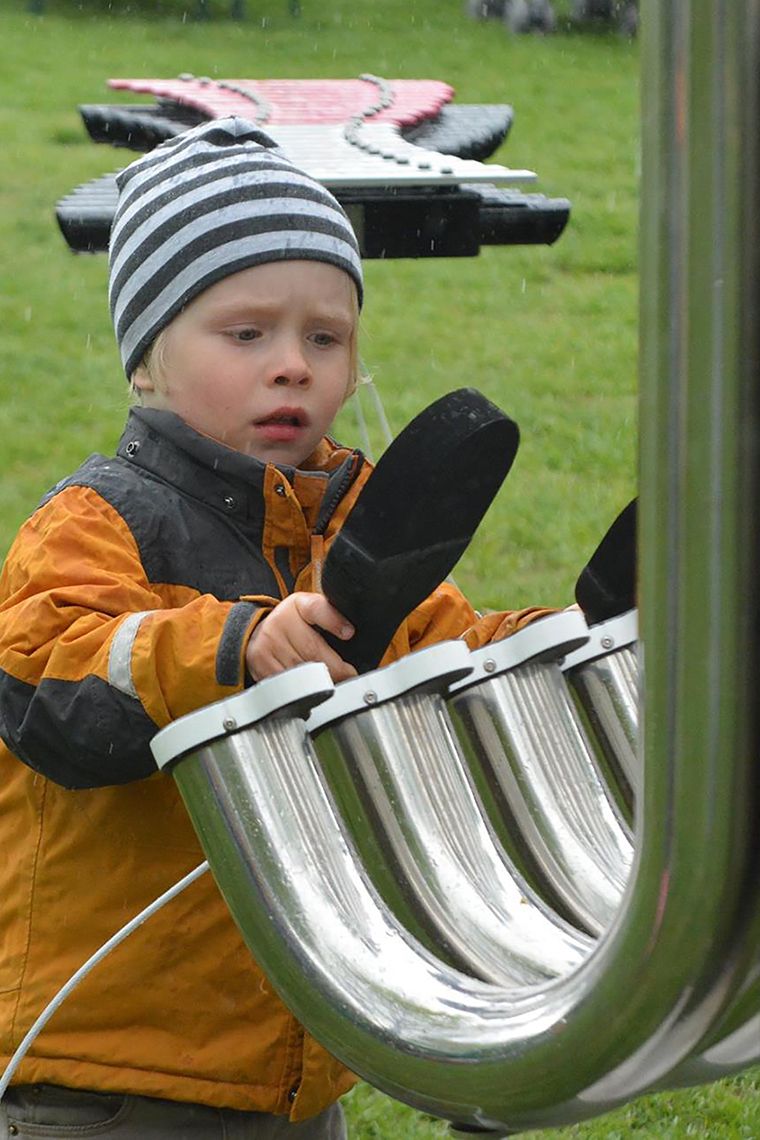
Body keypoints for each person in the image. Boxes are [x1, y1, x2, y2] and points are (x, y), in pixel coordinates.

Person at [0, 117, 551, 1139]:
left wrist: (579, 636)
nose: (292, 366)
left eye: (325, 337)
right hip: (109, 1078)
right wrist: (235, 647)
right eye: (246, 334)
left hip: (293, 1066)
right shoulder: (92, 524)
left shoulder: (346, 528)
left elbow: (453, 660)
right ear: (147, 363)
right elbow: (45, 689)